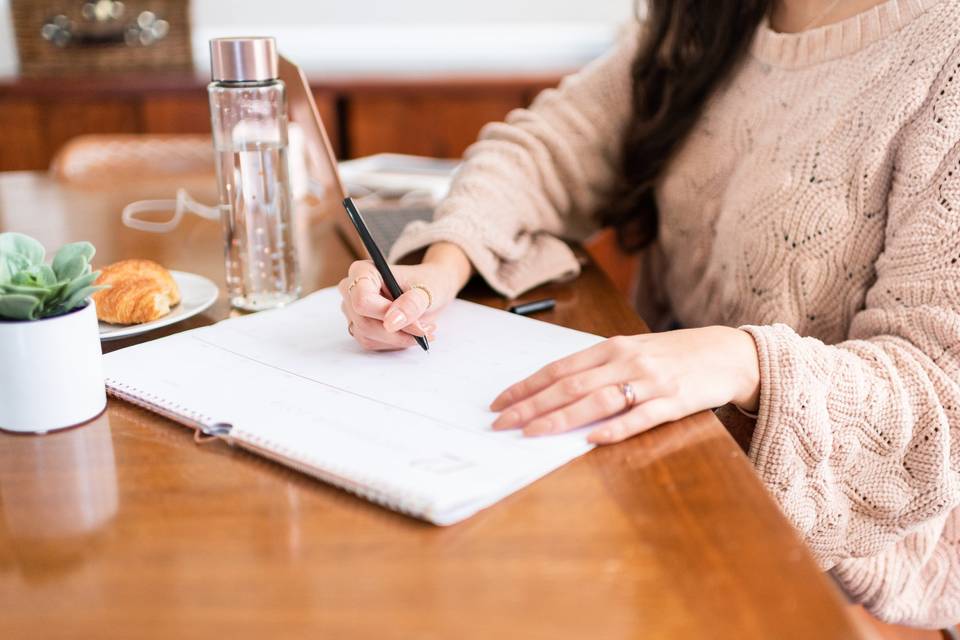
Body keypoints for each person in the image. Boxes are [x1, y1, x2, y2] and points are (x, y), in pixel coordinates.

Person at [338, 0, 959, 628]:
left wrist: (742, 360)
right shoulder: (712, 15)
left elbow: (943, 397)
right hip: (673, 465)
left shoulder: (945, 55)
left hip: (855, 570)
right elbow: (546, 148)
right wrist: (444, 263)